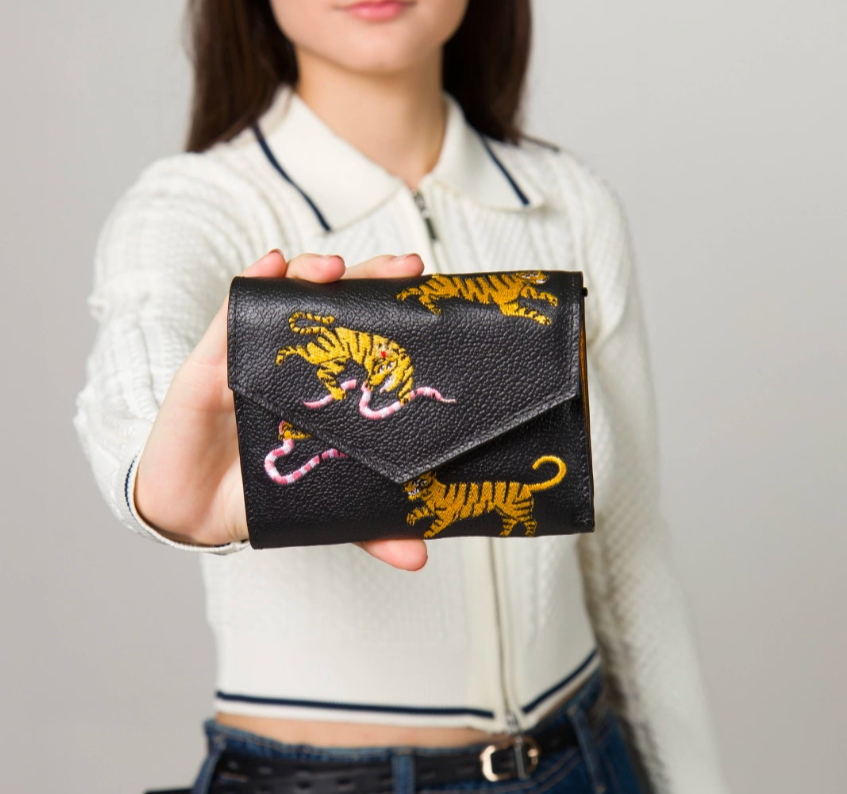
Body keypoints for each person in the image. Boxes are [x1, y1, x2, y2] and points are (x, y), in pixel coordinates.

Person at [71, 1, 728, 792]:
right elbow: (138, 339)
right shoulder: (198, 207)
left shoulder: (568, 203)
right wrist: (155, 475)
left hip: (584, 763)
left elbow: (629, 556)